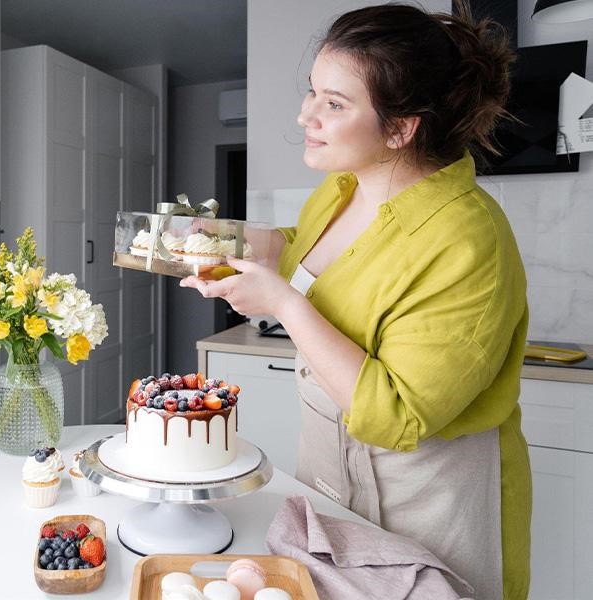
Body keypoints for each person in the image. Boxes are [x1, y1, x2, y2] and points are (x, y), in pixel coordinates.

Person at [181, 3, 530, 599]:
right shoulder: (344, 187)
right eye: (313, 93)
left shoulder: (467, 239)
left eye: (334, 104)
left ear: (401, 128)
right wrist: (233, 241)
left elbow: (397, 415)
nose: (306, 115)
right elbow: (311, 252)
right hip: (328, 469)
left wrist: (285, 305)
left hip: (425, 499)